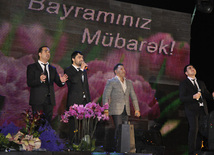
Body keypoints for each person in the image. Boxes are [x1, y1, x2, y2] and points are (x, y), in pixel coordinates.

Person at [102, 63, 140, 151]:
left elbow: (133, 97)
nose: (123, 70)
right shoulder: (111, 82)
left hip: (126, 109)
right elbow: (106, 96)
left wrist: (137, 109)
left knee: (125, 129)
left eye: (124, 69)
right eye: (121, 69)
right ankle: (116, 147)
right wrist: (106, 109)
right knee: (119, 128)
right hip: (115, 109)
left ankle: (123, 148)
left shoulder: (129, 82)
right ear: (116, 71)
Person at [27, 46, 68, 124]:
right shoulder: (32, 67)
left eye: (49, 52)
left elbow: (59, 83)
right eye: (45, 51)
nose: (48, 53)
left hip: (49, 101)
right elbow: (30, 83)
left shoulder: (52, 69)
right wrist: (39, 80)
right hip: (37, 101)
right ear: (39, 54)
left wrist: (62, 81)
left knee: (47, 124)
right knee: (36, 124)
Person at [179, 64, 214, 155]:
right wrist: (193, 97)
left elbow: (206, 95)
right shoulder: (184, 83)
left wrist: (212, 96)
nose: (192, 69)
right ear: (186, 73)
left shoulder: (201, 83)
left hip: (202, 109)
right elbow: (182, 98)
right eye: (190, 68)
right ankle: (191, 151)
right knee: (194, 129)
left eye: (193, 68)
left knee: (201, 130)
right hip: (191, 109)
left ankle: (198, 151)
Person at [64, 51, 91, 142]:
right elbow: (74, 80)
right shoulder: (68, 70)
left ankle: (82, 144)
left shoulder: (83, 71)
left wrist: (89, 102)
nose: (82, 59)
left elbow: (86, 87)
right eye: (79, 57)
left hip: (84, 101)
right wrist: (81, 70)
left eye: (82, 57)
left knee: (84, 125)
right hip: (74, 101)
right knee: (73, 126)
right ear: (73, 59)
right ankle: (72, 145)